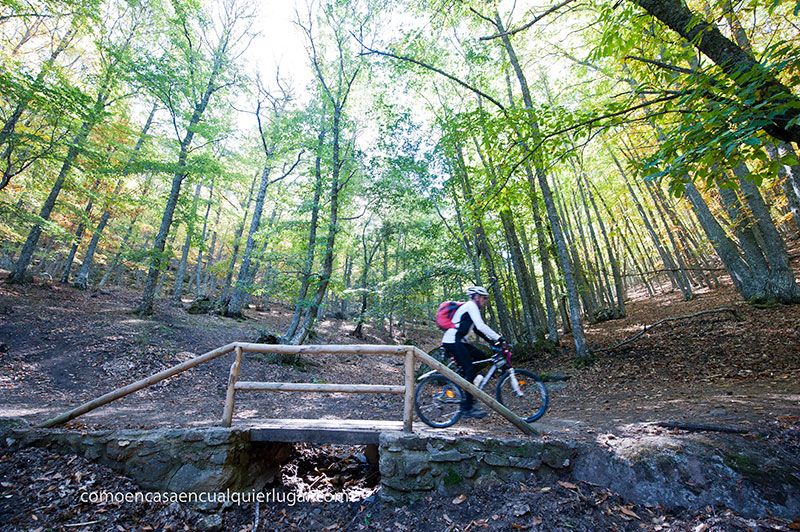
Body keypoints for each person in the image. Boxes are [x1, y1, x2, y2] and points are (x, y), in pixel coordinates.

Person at [441, 286, 504, 419]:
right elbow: (481, 326)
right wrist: (499, 337)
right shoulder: (471, 305)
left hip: (459, 341)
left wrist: (493, 343)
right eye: (483, 298)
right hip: (453, 341)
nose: (485, 301)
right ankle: (467, 408)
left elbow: (477, 330)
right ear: (476, 297)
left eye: (486, 298)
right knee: (469, 368)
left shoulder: (470, 308)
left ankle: (467, 384)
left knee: (481, 357)